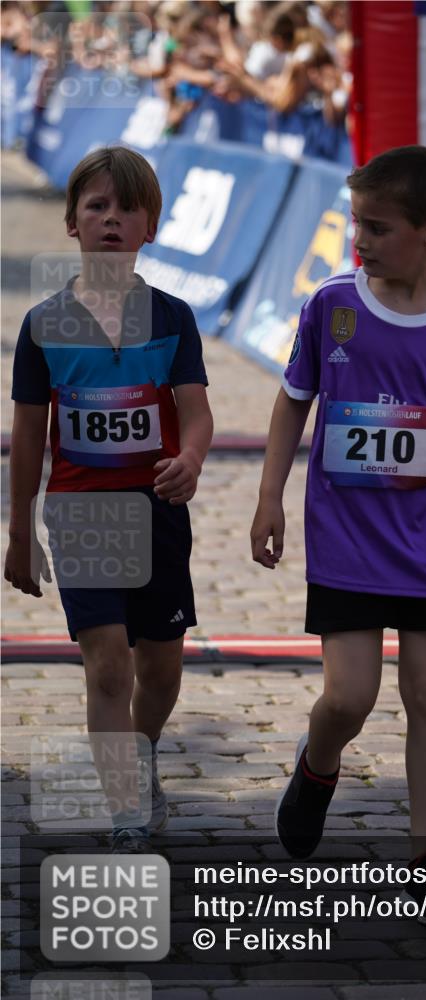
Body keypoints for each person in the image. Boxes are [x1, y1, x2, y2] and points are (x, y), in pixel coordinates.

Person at [250, 145, 426, 923]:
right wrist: (270, 495)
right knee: (348, 696)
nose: (357, 240)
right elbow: (295, 398)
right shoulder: (331, 303)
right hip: (346, 538)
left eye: (376, 227)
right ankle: (317, 765)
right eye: (355, 222)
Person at [4, 146, 213, 852]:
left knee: (160, 669)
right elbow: (29, 436)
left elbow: (197, 409)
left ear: (149, 226)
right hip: (82, 511)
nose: (111, 220)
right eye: (97, 207)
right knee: (108, 665)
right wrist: (20, 532)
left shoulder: (174, 318)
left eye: (126, 208)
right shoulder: (42, 325)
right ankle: (126, 811)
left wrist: (189, 456)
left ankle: (140, 753)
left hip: (157, 511)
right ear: (71, 224)